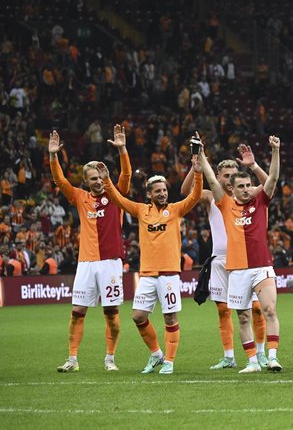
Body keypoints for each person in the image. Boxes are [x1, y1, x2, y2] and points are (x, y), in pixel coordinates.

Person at [98, 155, 203, 375]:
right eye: (158, 191)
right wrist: (107, 180)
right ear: (149, 194)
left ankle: (169, 362)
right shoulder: (140, 210)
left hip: (169, 274)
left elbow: (194, 196)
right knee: (138, 316)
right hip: (147, 274)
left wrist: (198, 172)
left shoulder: (175, 209)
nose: (163, 193)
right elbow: (118, 199)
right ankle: (157, 354)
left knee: (170, 317)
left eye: (164, 190)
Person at [181, 143, 270, 370]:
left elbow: (270, 184)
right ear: (218, 177)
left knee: (256, 309)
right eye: (226, 175)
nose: (231, 179)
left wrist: (255, 166)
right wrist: (195, 167)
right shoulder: (211, 196)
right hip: (220, 259)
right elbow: (185, 193)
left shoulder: (249, 194)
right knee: (223, 310)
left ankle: (261, 353)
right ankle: (229, 356)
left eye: (234, 174)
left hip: (248, 260)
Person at [50, 125, 131, 373]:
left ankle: (110, 359)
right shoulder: (79, 197)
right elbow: (59, 180)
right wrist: (53, 156)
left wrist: (122, 151)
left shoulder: (116, 195)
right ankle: (72, 359)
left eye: (100, 177)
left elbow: (126, 175)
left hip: (110, 263)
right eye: (93, 178)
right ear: (85, 181)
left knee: (111, 313)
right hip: (85, 263)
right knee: (77, 312)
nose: (98, 182)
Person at [199, 135, 283, 373]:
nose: (246, 190)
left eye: (248, 185)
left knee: (269, 310)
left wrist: (273, 152)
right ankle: (252, 362)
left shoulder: (260, 201)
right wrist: (201, 154)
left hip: (261, 266)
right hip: (236, 269)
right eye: (241, 187)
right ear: (232, 189)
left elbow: (273, 178)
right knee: (243, 317)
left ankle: (272, 357)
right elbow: (210, 178)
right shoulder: (225, 204)